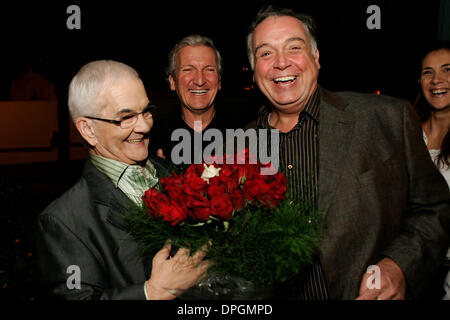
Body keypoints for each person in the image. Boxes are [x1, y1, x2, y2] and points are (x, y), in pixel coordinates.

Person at [245, 6, 450, 300]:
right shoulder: (238, 148)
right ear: (254, 69)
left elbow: (435, 208)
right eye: (265, 53)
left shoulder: (386, 119)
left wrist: (399, 266)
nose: (280, 63)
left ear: (316, 58)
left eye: (294, 47)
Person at [35, 60, 208, 300]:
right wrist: (151, 293)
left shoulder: (176, 174)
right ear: (88, 130)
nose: (145, 125)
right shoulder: (63, 222)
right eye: (126, 117)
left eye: (146, 111)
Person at [149, 34, 237, 165]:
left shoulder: (241, 136)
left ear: (219, 81)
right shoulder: (152, 141)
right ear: (172, 81)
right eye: (188, 69)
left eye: (209, 69)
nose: (200, 80)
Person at [414, 42, 450, 300]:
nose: (436, 80)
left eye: (447, 70)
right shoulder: (407, 133)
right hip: (409, 263)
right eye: (428, 72)